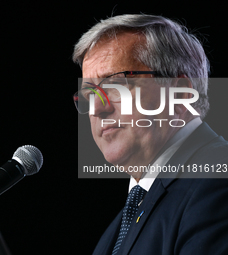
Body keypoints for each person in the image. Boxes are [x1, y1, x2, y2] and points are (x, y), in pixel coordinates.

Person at [72, 14, 228, 255]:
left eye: (115, 85)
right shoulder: (117, 229)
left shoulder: (217, 181)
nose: (97, 108)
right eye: (89, 95)